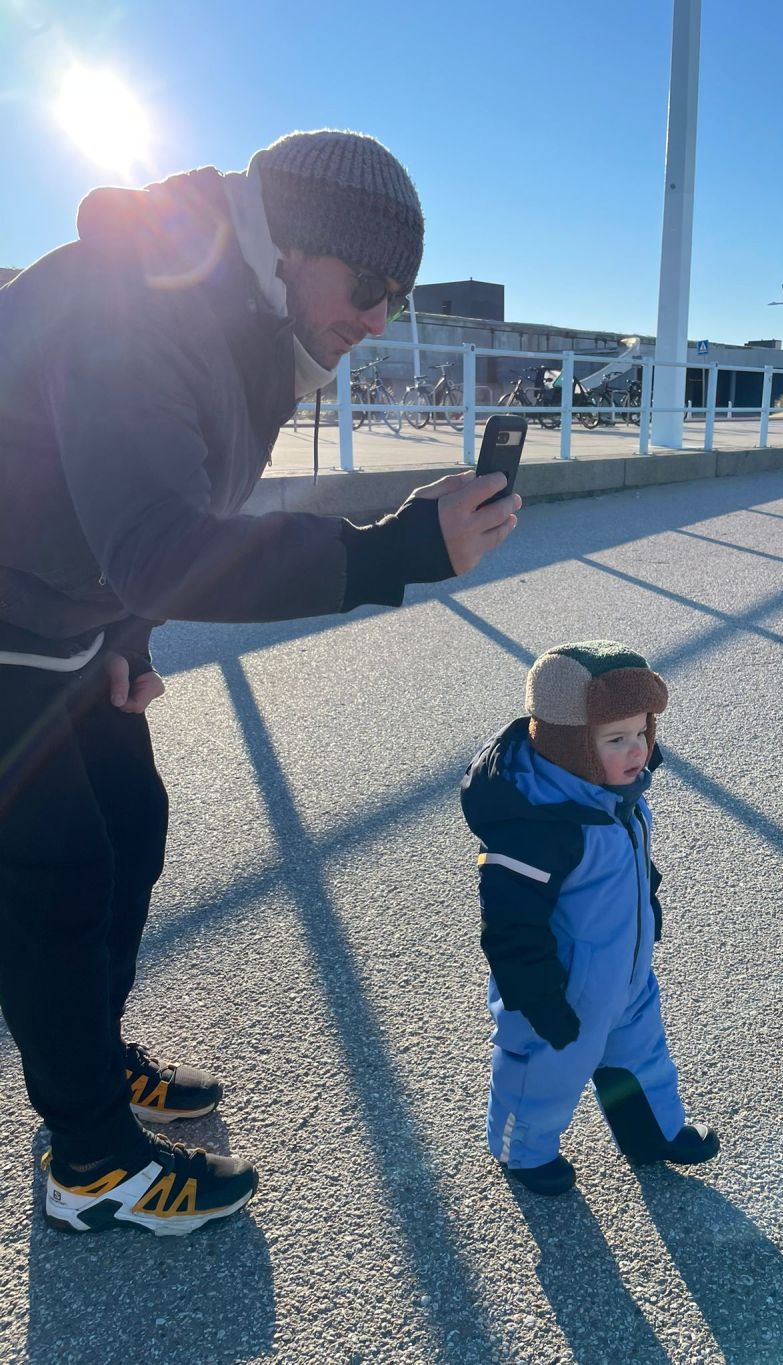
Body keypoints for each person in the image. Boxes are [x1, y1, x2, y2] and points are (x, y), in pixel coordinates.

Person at [0, 129, 521, 1237]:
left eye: (399, 297)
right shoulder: (133, 304)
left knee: (130, 819)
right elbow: (158, 539)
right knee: (55, 871)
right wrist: (394, 550)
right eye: (368, 285)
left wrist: (129, 639)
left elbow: (151, 505)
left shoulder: (256, 329)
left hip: (57, 610)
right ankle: (88, 1162)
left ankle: (90, 1056)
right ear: (288, 244)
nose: (379, 318)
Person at [460, 641, 719, 1196]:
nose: (637, 750)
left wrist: (648, 906)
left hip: (625, 974)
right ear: (569, 743)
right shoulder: (537, 824)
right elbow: (510, 925)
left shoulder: (618, 798)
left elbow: (632, 866)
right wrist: (538, 997)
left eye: (642, 733)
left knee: (643, 1055)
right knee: (541, 1073)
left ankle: (652, 1132)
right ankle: (523, 1153)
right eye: (615, 739)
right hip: (561, 990)